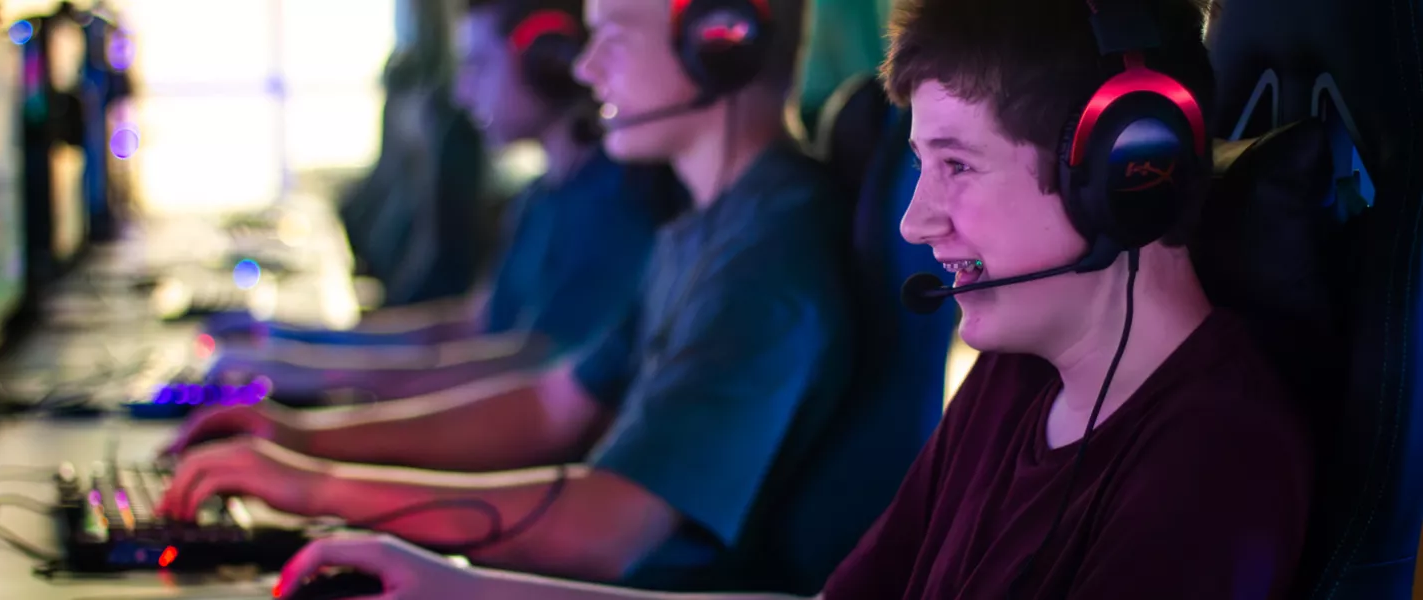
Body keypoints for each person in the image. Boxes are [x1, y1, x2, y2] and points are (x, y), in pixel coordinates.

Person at [269, 0, 1315, 598]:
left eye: (956, 167)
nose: (916, 220)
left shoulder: (1213, 458)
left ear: (1129, 172)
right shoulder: (1012, 386)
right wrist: (461, 591)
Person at [162, 0, 858, 593]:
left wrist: (317, 487)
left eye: (612, 36)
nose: (584, 71)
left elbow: (604, 534)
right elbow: (551, 402)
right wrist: (300, 443)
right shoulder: (708, 228)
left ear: (720, 42)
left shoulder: (767, 262)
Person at [200, 0, 687, 400]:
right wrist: (286, 339)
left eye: (477, 65)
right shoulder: (543, 195)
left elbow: (527, 366)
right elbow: (469, 326)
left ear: (549, 62)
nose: (462, 91)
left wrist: (318, 372)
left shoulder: (617, 206)